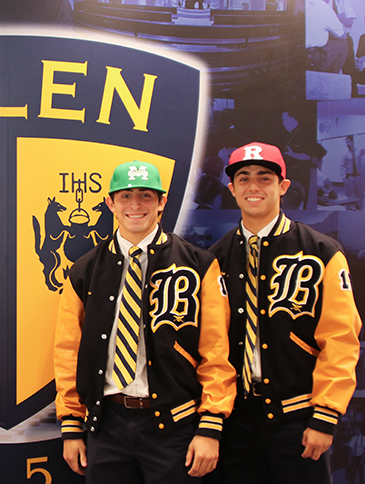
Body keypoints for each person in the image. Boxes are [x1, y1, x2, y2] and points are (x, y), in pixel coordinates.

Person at [54, 160, 236, 483]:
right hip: (106, 425)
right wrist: (71, 423)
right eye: (125, 196)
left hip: (176, 426)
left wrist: (211, 425)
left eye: (146, 196)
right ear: (110, 203)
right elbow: (68, 351)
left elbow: (216, 352)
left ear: (162, 202)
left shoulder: (200, 265)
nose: (135, 205)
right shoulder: (83, 271)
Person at [209, 142, 362, 483]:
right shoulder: (215, 258)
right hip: (236, 422)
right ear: (231, 189)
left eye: (265, 178)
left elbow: (341, 339)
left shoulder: (321, 251)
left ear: (284, 186)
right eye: (243, 178)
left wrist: (326, 415)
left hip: (299, 418)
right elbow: (211, 346)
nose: (254, 187)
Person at [306, 0, 348, 73]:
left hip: (299, 53)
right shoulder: (323, 7)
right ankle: (329, 80)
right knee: (343, 44)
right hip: (315, 57)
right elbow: (342, 35)